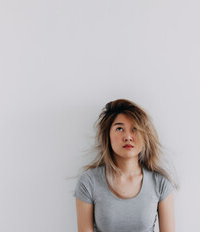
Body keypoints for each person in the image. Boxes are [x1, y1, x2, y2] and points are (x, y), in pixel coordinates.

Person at [74, 99, 178, 232]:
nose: (128, 137)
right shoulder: (89, 182)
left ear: (144, 135)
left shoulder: (161, 184)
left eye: (135, 129)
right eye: (119, 128)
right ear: (108, 135)